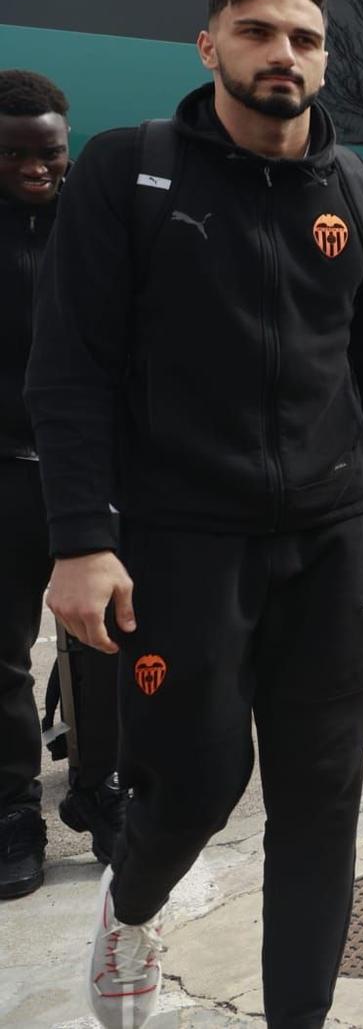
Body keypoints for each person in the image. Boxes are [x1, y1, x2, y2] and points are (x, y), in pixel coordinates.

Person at [29, 0, 363, 1028]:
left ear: (324, 58)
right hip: (180, 540)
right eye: (256, 32)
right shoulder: (129, 172)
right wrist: (80, 539)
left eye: (302, 38)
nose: (281, 54)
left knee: (320, 806)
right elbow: (69, 369)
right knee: (195, 784)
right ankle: (134, 907)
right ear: (209, 47)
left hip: (331, 540)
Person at [0, 71, 123, 902]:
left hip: (92, 471)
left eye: (50, 151)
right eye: (15, 154)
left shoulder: (99, 219)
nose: (38, 166)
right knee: (2, 659)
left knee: (107, 643)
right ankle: (13, 812)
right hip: (5, 470)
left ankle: (103, 786)